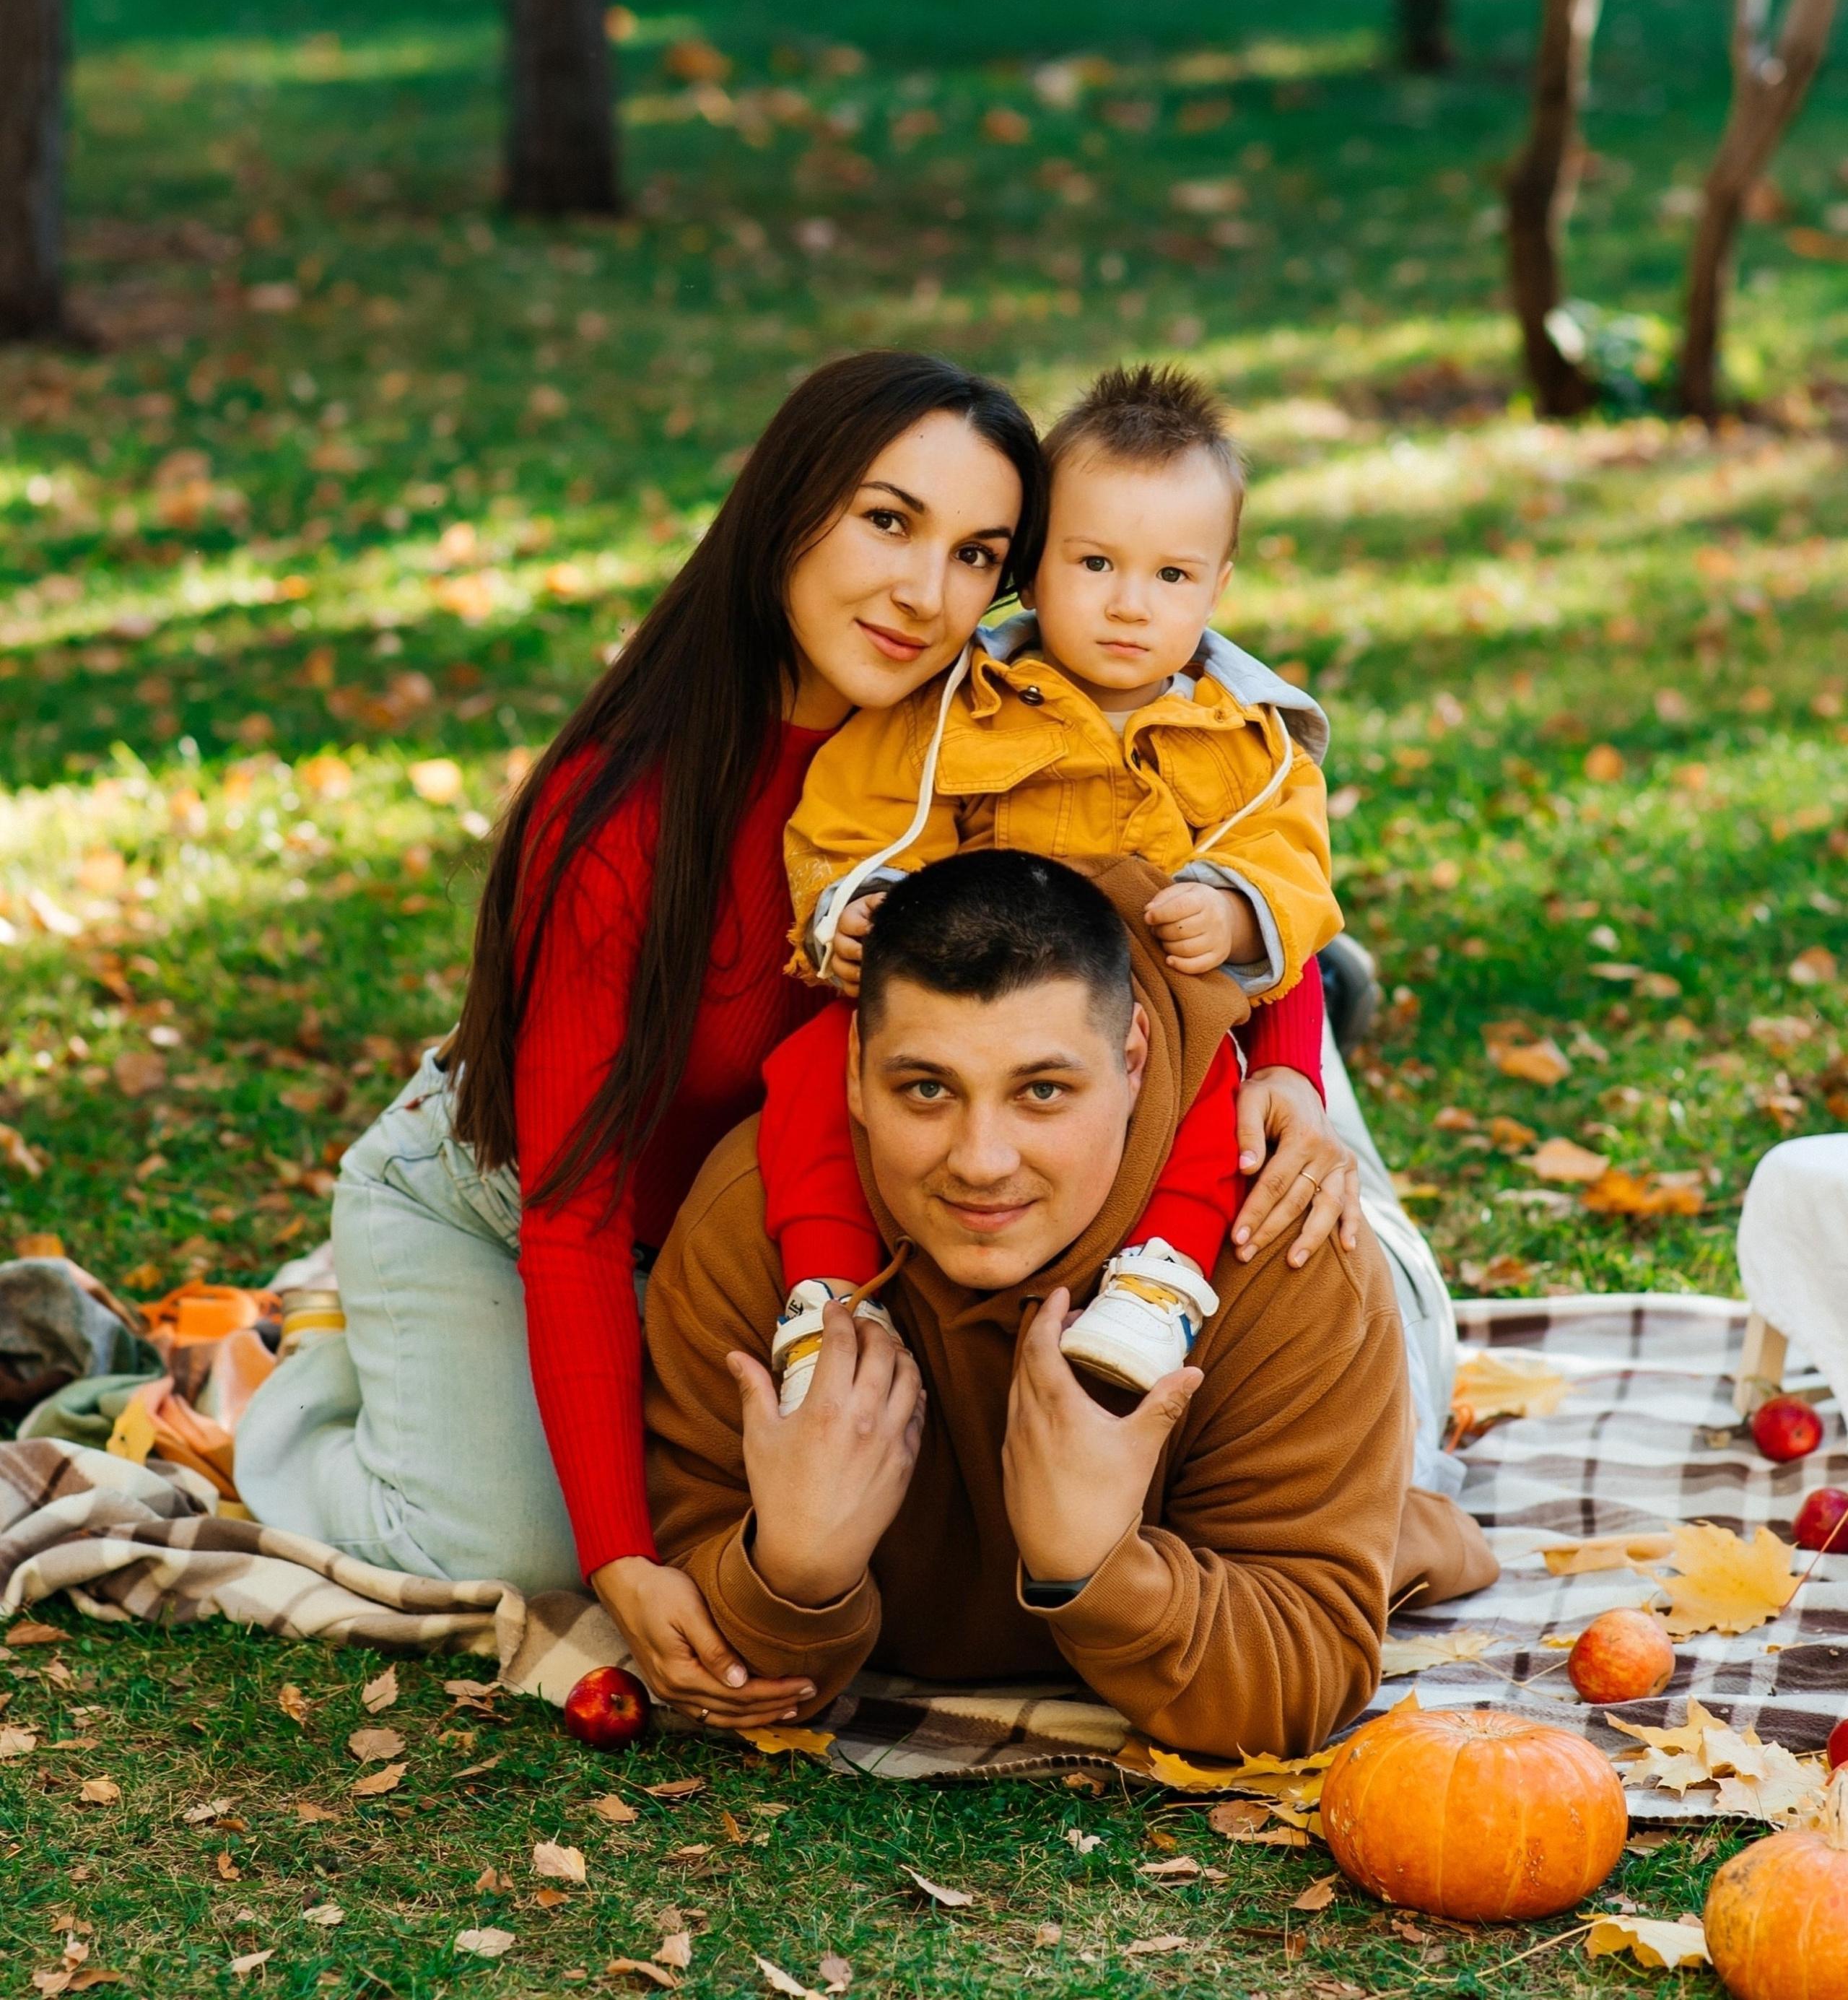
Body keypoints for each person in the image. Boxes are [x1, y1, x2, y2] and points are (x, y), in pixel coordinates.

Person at [235, 350, 1359, 1731]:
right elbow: (574, 1212)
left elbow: (1220, 846)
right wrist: (620, 1555)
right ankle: (258, 1402)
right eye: (886, 520)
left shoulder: (983, 732)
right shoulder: (623, 812)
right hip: (530, 1197)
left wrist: (1296, 1062)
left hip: (764, 1212)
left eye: (976, 553)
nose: (921, 591)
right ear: (788, 509)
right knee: (512, 1551)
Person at [645, 851, 1496, 1755]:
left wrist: (1098, 1566)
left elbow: (1300, 1675)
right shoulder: (747, 1221)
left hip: (1328, 1264)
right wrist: (795, 1572)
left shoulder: (1290, 1234)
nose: (981, 1160)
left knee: (1403, 1407)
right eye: (925, 1088)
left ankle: (1300, 990)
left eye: (1041, 1091)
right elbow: (710, 1647)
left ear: (1129, 1061)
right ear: (854, 1073)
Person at [762, 365, 1339, 1409]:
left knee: (1205, 1094)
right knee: (815, 1066)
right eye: (1095, 562)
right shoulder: (958, 705)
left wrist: (1238, 902)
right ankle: (829, 1295)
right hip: (966, 999)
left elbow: (1293, 858)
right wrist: (850, 902)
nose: (1128, 603)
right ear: (1034, 565)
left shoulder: (1245, 742)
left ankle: (1159, 1281)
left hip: (1138, 1014)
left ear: (1218, 583)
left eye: (1171, 575)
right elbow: (850, 811)